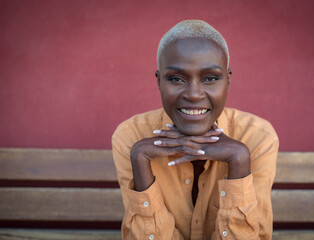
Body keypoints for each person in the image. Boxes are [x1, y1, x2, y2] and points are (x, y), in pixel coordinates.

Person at [112, 20, 279, 240]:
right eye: (176, 79)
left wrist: (239, 162)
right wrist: (141, 163)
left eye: (210, 78)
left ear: (227, 81)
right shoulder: (131, 137)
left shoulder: (257, 138)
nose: (193, 94)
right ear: (159, 81)